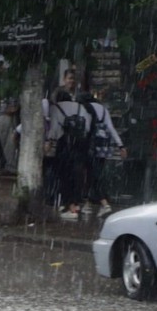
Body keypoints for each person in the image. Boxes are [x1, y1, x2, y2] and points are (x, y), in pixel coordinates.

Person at [77, 90, 127, 219]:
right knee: (95, 173)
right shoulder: (103, 109)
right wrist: (120, 145)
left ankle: (104, 204)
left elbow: (86, 128)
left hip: (89, 147)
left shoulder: (84, 107)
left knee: (91, 175)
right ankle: (87, 203)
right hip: (103, 148)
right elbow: (111, 128)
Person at [45, 88, 90, 221]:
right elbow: (86, 127)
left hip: (65, 144)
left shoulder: (56, 108)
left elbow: (53, 130)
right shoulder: (80, 107)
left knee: (64, 175)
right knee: (77, 174)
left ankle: (69, 206)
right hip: (80, 144)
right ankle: (76, 204)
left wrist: (49, 141)